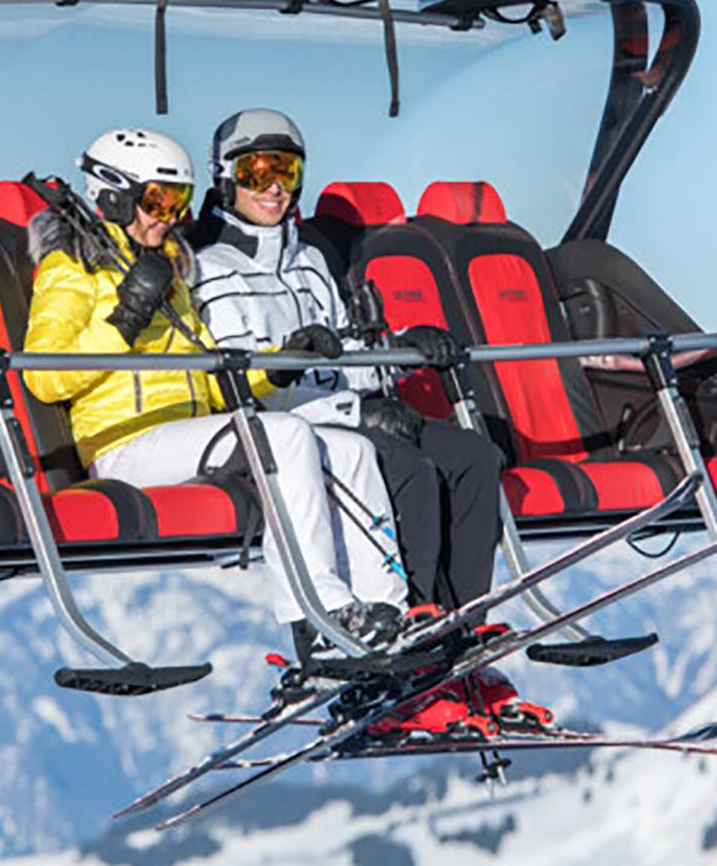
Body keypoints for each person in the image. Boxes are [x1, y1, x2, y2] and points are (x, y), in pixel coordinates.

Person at [21, 127, 407, 646]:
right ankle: (317, 615)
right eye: (157, 199)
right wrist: (125, 320)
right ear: (112, 196)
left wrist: (281, 362)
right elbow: (43, 377)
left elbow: (213, 374)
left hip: (190, 435)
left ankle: (389, 608)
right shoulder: (73, 267)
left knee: (350, 450)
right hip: (124, 445)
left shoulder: (167, 270)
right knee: (286, 435)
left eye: (178, 201)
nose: (168, 216)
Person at [189, 109, 505, 612]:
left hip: (348, 413)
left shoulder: (310, 262)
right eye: (256, 173)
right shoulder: (208, 271)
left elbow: (346, 356)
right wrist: (356, 413)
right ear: (225, 179)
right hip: (290, 432)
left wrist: (404, 353)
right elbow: (245, 389)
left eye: (286, 172)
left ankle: (462, 617)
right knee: (408, 467)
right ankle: (414, 618)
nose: (275, 189)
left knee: (475, 457)